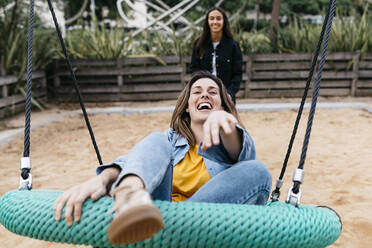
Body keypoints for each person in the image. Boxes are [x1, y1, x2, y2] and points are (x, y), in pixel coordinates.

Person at [53, 71, 271, 245]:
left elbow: (241, 155)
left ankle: (170, 235)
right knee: (157, 140)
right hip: (153, 216)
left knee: (258, 171)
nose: (205, 95)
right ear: (187, 107)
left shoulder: (233, 142)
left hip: (207, 228)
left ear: (223, 105)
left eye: (213, 92)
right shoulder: (168, 142)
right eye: (197, 91)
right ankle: (130, 196)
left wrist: (226, 125)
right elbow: (131, 161)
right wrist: (103, 178)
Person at [190, 7, 243, 104]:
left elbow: (237, 74)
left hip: (227, 97)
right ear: (207, 22)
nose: (215, 22)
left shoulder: (233, 46)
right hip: (204, 97)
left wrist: (229, 93)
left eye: (218, 18)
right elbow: (194, 70)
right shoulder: (199, 44)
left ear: (224, 22)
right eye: (212, 18)